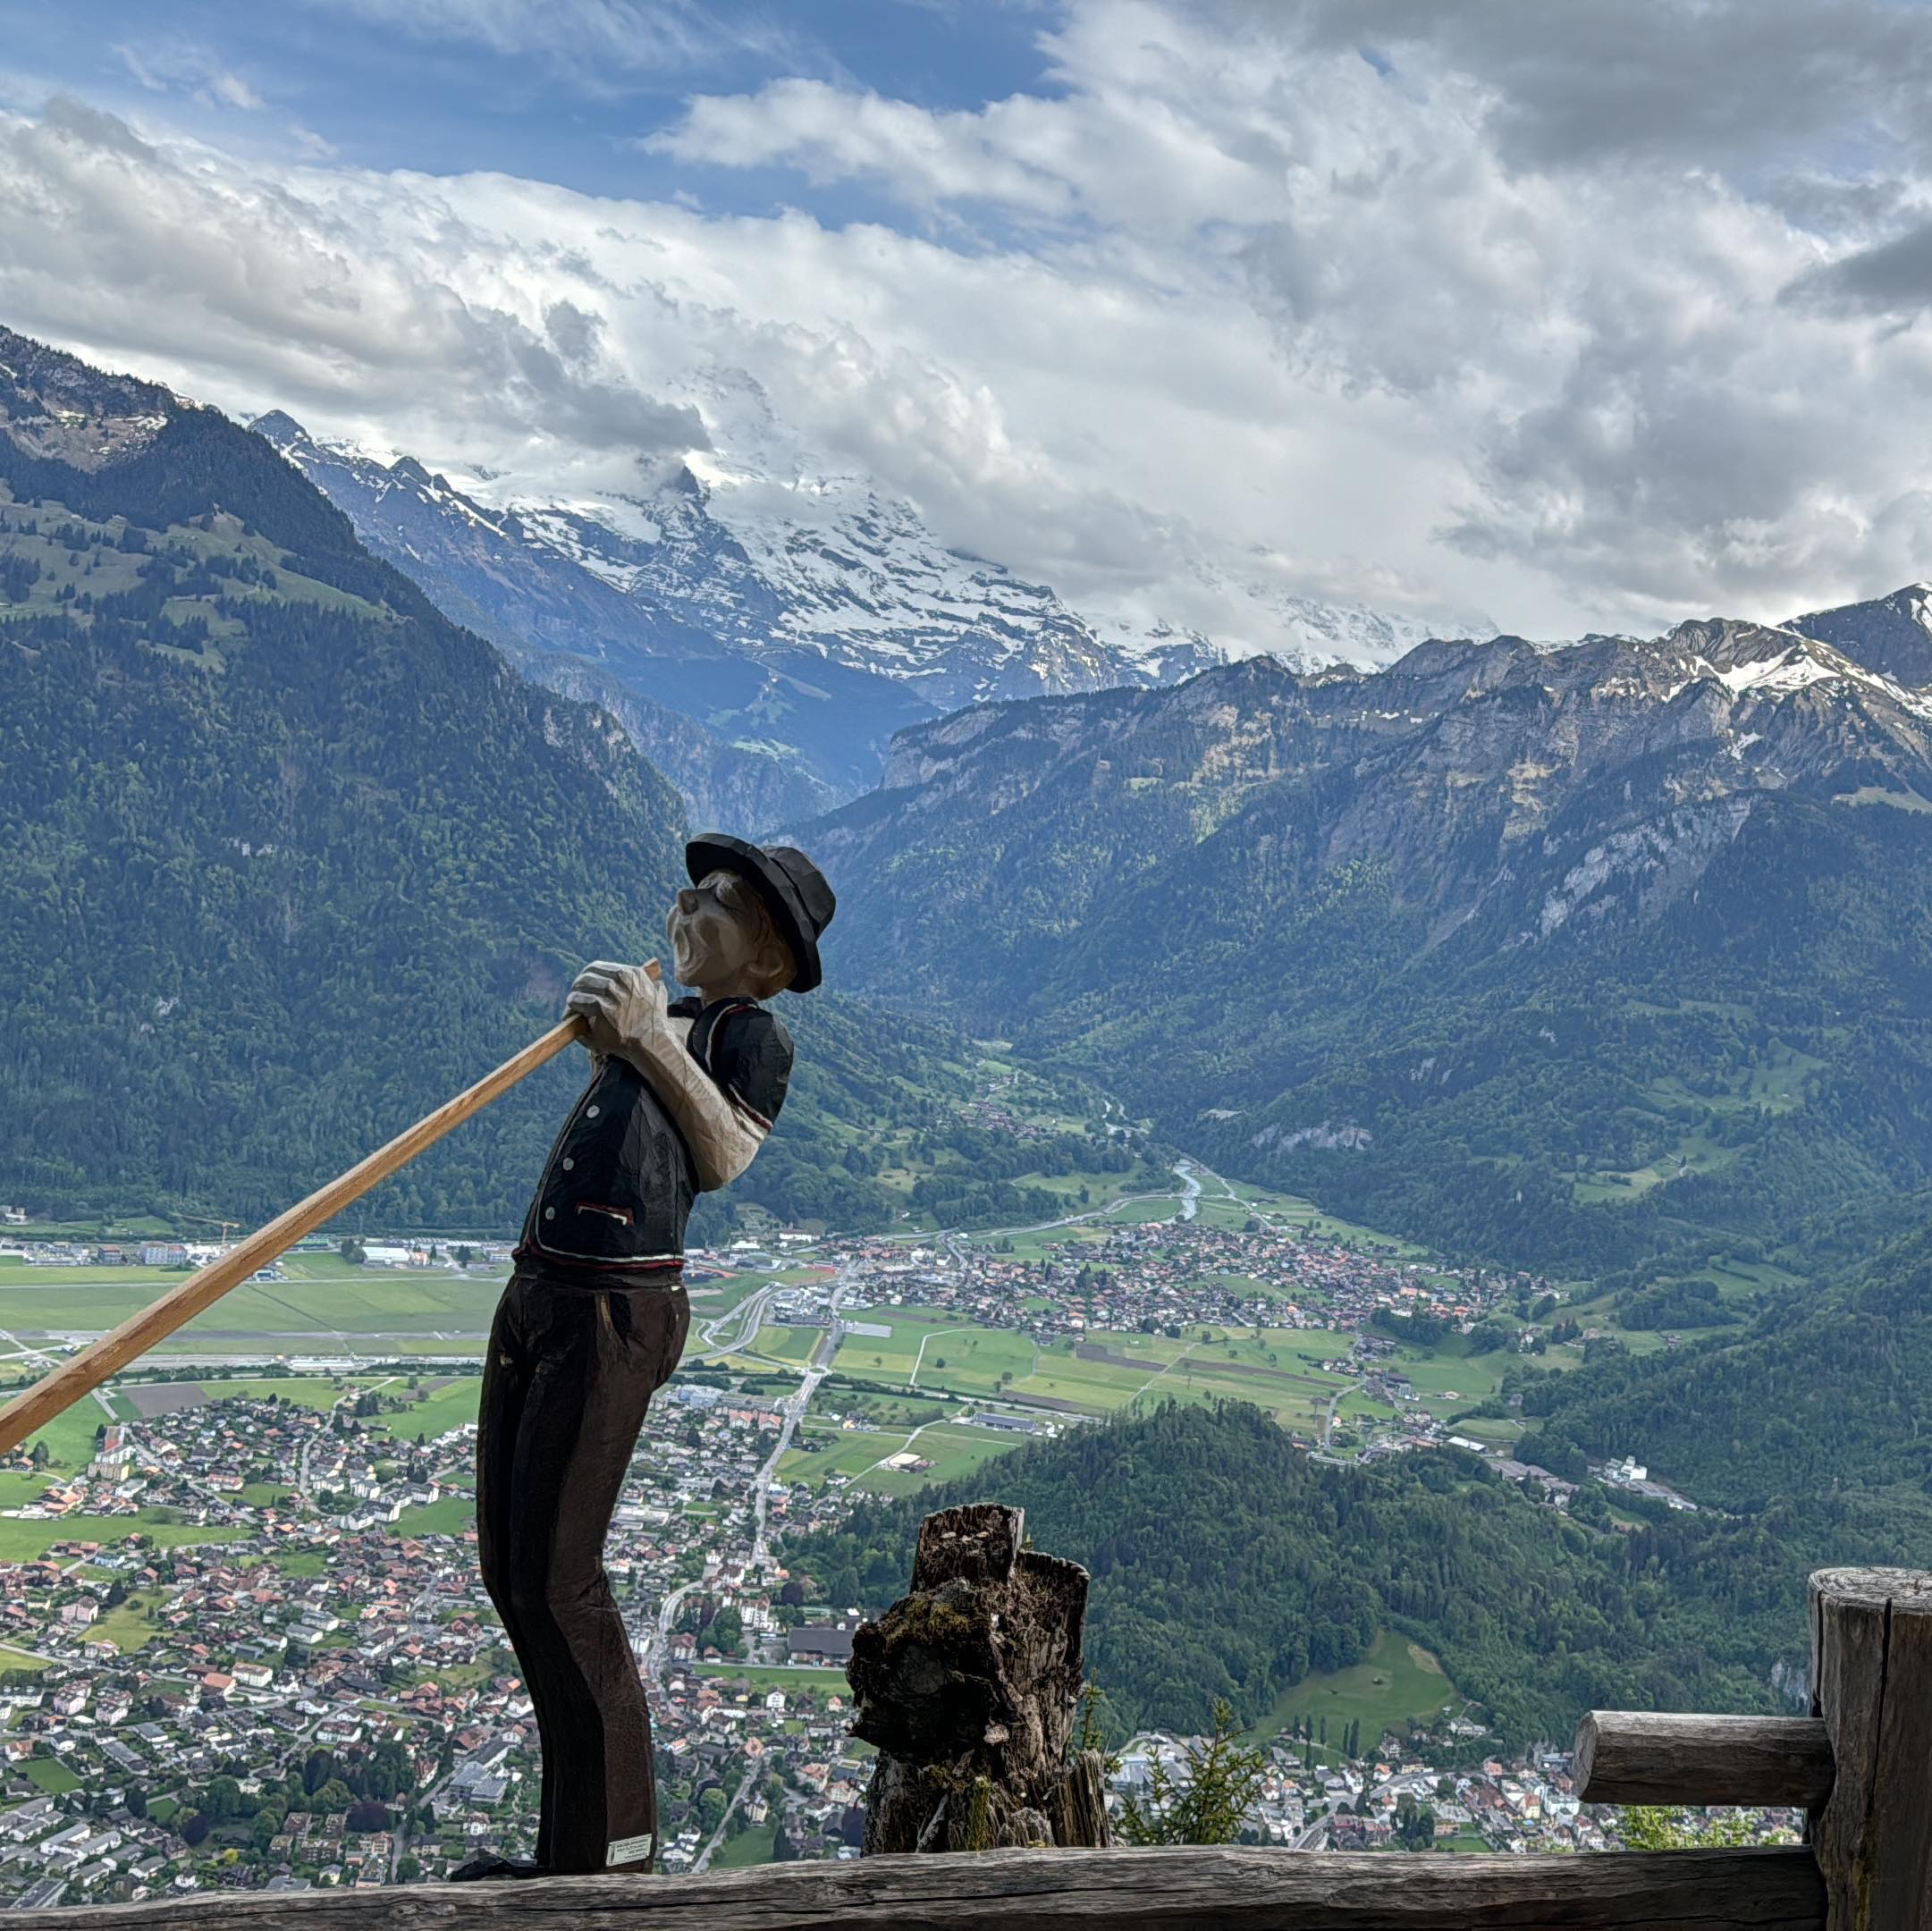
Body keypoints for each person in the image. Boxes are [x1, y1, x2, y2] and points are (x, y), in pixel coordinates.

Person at [454, 834, 835, 1881]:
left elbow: (719, 1155)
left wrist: (644, 1041)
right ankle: (565, 1849)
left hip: (615, 1309)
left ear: (768, 960)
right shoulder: (669, 1020)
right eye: (690, 892)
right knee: (514, 1574)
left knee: (562, 1579)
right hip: (544, 1286)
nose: (686, 910)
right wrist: (614, 1040)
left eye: (718, 902)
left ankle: (613, 1852)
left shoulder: (753, 1037)